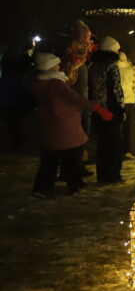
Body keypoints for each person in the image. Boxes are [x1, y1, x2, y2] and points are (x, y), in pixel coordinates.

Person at [30, 52, 112, 197]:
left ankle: (41, 187)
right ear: (50, 67)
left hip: (50, 127)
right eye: (56, 64)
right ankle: (75, 185)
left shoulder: (39, 83)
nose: (59, 66)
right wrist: (98, 108)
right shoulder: (56, 83)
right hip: (64, 127)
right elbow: (75, 99)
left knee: (49, 160)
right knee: (71, 158)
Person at [88, 37, 125, 184]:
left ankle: (102, 175)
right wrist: (120, 107)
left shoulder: (93, 66)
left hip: (97, 109)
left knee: (102, 144)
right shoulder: (112, 66)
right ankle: (113, 174)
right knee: (115, 143)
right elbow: (116, 89)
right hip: (112, 109)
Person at [64, 20, 96, 164]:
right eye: (88, 38)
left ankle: (81, 154)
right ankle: (77, 156)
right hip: (78, 100)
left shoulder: (85, 59)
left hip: (83, 99)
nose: (90, 41)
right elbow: (69, 78)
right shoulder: (74, 59)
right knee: (80, 125)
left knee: (84, 124)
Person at [0, 43, 33, 151]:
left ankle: (20, 141)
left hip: (19, 93)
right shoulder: (8, 59)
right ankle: (17, 141)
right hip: (10, 92)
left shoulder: (23, 61)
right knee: (12, 119)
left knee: (19, 119)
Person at [117, 50, 135, 158]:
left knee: (119, 126)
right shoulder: (133, 70)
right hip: (131, 101)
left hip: (119, 102)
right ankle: (129, 149)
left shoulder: (115, 69)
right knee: (130, 127)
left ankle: (119, 148)